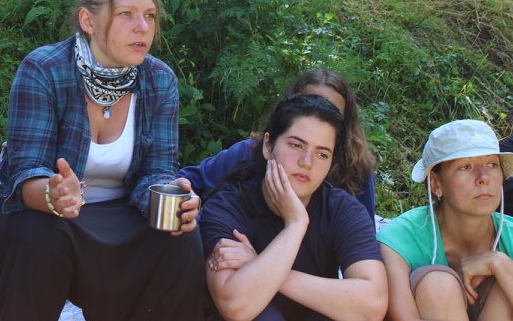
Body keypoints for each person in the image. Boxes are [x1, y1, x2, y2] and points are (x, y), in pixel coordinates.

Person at [0, 0, 205, 321]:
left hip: (118, 216)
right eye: (126, 14)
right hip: (40, 214)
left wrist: (171, 199)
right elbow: (25, 172)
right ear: (88, 20)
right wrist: (53, 194)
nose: (143, 27)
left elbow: (157, 169)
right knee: (40, 235)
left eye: (149, 15)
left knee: (180, 239)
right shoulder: (44, 69)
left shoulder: (160, 80)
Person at [201, 94, 387, 321]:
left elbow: (372, 306)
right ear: (268, 145)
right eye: (296, 145)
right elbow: (235, 306)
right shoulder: (227, 207)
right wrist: (296, 224)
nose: (306, 162)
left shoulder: (342, 210)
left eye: (322, 154)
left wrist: (260, 266)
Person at [180, 68, 378, 219]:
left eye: (331, 113)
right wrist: (193, 210)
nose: (317, 116)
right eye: (310, 104)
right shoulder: (249, 151)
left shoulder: (356, 171)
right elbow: (186, 183)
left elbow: (364, 241)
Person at [379, 119, 513, 320]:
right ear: (436, 184)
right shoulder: (400, 238)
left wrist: (500, 263)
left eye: (492, 164)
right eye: (465, 167)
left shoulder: (510, 234)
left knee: (507, 280)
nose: (483, 178)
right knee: (437, 285)